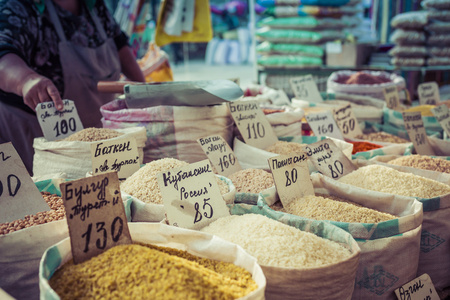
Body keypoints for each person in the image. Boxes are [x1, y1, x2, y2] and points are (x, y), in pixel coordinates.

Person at [0, 0, 145, 173]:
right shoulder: (19, 7)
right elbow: (3, 53)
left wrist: (145, 90)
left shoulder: (94, 5)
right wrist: (26, 80)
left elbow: (119, 44)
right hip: (32, 134)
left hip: (92, 133)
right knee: (46, 195)